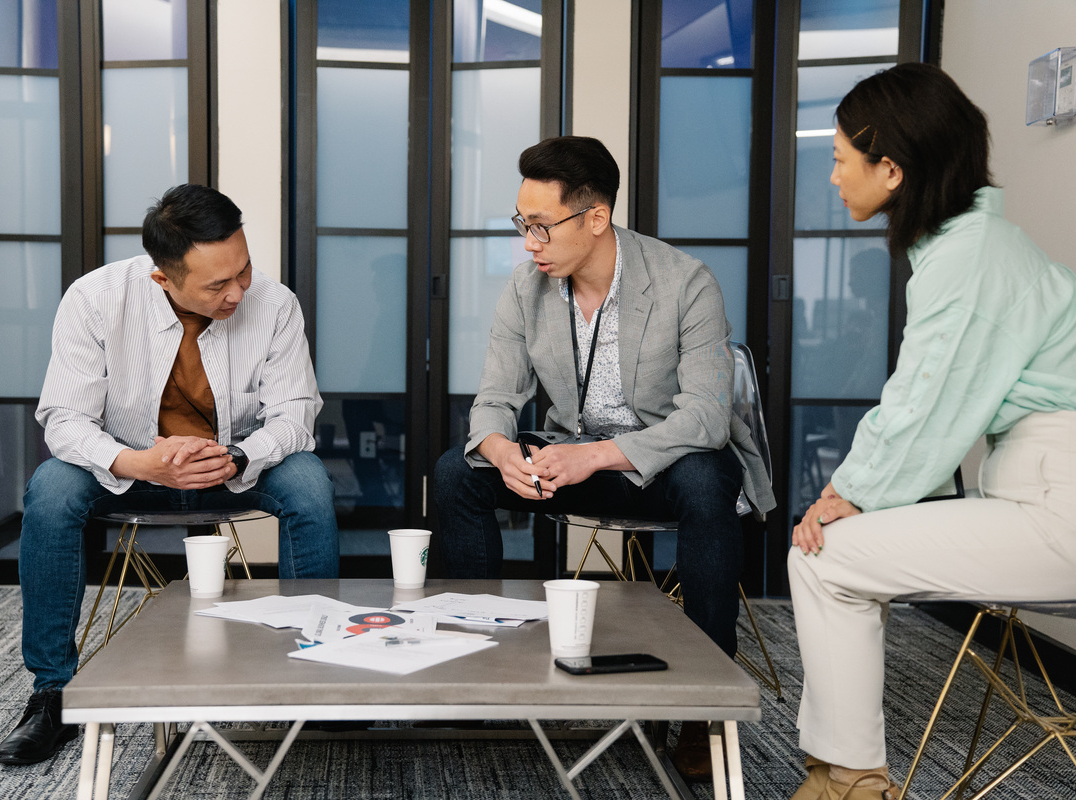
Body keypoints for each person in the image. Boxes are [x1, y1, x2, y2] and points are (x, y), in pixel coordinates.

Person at [434, 135, 775, 780]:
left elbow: (703, 417)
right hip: (571, 458)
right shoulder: (527, 286)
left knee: (709, 481)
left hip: (665, 463)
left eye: (540, 227)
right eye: (521, 225)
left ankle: (704, 717)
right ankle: (474, 677)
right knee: (459, 470)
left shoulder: (686, 282)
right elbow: (494, 399)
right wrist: (502, 449)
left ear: (595, 219)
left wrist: (601, 456)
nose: (527, 243)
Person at [788, 63, 1076, 800]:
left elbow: (925, 404)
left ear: (891, 167)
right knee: (834, 555)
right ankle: (841, 775)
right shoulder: (976, 247)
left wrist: (846, 494)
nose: (833, 177)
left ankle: (850, 783)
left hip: (1058, 507)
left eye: (839, 159)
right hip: (1041, 493)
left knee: (824, 558)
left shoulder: (972, 257)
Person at [0, 184, 339, 765]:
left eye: (244, 270)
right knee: (51, 490)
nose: (237, 292)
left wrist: (236, 457)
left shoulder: (275, 305)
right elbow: (63, 419)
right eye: (216, 285)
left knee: (308, 482)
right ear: (163, 278)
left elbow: (296, 416)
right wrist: (135, 462)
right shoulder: (95, 299)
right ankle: (53, 692)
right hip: (131, 464)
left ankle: (314, 681)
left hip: (234, 464)